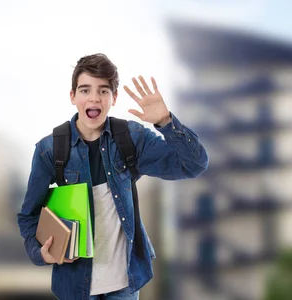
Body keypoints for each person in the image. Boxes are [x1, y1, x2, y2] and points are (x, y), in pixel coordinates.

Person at [16, 53, 209, 300]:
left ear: (114, 98)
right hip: (75, 287)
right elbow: (28, 216)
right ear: (73, 96)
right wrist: (41, 254)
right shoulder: (49, 149)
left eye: (103, 91)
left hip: (124, 286)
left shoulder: (131, 137)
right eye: (85, 90)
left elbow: (193, 164)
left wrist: (165, 121)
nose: (94, 97)